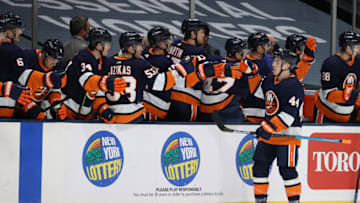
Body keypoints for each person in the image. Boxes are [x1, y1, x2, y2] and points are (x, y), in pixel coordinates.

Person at [100, 31, 224, 123]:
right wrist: (181, 69)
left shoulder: (108, 62)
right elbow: (161, 83)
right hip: (135, 116)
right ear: (130, 48)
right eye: (138, 46)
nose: (141, 48)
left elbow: (97, 87)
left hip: (110, 117)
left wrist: (102, 108)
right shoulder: (140, 64)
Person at [253, 48, 304, 203]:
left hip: (287, 136)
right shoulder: (269, 79)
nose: (273, 64)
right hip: (270, 135)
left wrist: (266, 128)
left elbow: (288, 116)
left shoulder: (294, 85)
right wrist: (251, 75)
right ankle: (260, 201)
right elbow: (256, 94)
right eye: (273, 61)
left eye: (277, 62)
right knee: (259, 167)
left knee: (287, 170)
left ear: (287, 65)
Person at [0, 12, 66, 119]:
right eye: (17, 29)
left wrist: (56, 104)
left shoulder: (11, 50)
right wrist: (47, 79)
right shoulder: (15, 52)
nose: (21, 32)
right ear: (8, 31)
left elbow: (54, 91)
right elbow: (23, 77)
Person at [61, 27, 126, 121]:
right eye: (108, 44)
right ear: (99, 46)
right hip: (67, 108)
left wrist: (103, 109)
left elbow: (98, 90)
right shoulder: (82, 57)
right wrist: (107, 82)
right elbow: (87, 81)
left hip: (86, 112)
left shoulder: (103, 61)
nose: (110, 47)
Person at [197, 37, 251, 122]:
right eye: (243, 52)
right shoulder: (241, 69)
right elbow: (247, 94)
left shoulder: (213, 60)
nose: (245, 55)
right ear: (237, 54)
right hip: (224, 114)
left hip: (203, 112)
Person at [166, 18, 208, 121]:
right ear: (193, 34)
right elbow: (201, 78)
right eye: (202, 32)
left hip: (169, 98)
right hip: (187, 99)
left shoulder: (174, 45)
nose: (204, 36)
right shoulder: (198, 52)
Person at [314, 31, 360, 123]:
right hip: (327, 111)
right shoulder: (331, 63)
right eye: (356, 47)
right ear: (348, 47)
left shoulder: (358, 61)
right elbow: (328, 94)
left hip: (346, 113)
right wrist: (350, 95)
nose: (358, 50)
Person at [22, 39, 67, 120]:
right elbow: (15, 85)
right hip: (18, 105)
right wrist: (29, 106)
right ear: (44, 54)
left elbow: (55, 89)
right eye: (53, 59)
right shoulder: (27, 57)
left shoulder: (58, 65)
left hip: (39, 105)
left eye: (58, 60)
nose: (55, 63)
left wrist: (56, 104)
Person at [142, 26, 175, 120]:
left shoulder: (142, 54)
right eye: (167, 40)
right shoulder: (167, 62)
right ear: (161, 44)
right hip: (156, 107)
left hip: (140, 105)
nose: (170, 42)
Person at [241, 32, 271, 122]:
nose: (268, 48)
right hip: (252, 110)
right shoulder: (258, 64)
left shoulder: (245, 61)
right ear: (258, 47)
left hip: (249, 109)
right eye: (265, 45)